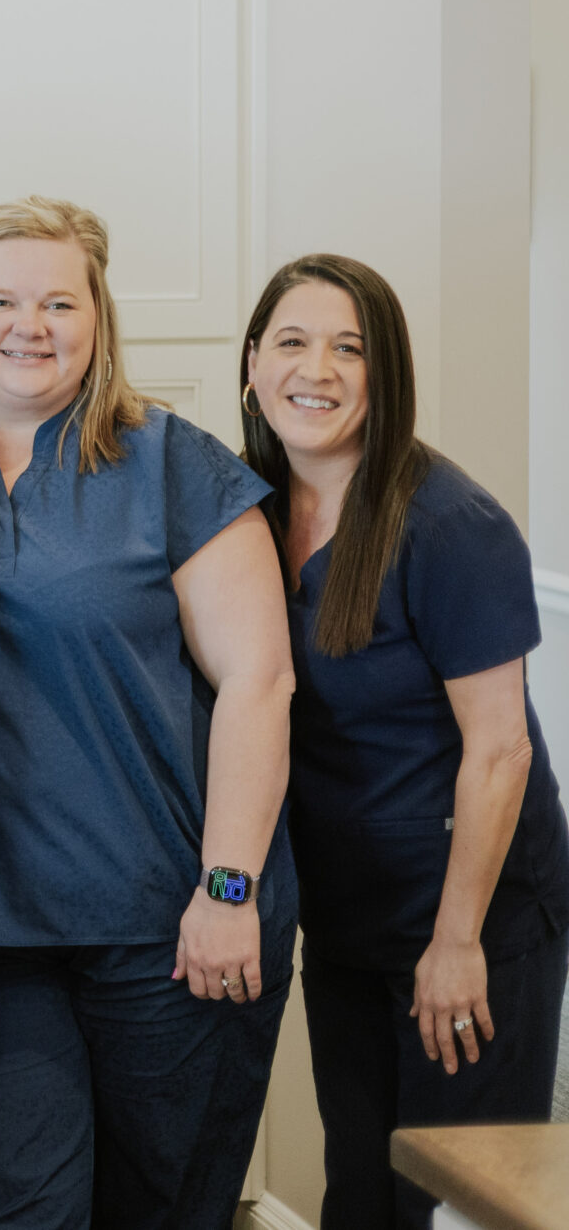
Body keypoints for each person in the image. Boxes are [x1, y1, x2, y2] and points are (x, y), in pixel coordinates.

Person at [0, 195, 297, 1230]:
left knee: (163, 1207)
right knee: (15, 1212)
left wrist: (227, 886)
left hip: (176, 918)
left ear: (98, 321)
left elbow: (258, 682)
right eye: (1, 297)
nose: (29, 324)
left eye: (61, 301)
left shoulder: (170, 464)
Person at [240, 254, 569, 1230]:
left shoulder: (449, 525)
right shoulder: (246, 512)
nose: (318, 369)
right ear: (253, 363)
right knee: (364, 1195)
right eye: (293, 343)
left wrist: (457, 941)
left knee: (460, 1204)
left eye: (350, 347)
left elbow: (499, 749)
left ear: (386, 372)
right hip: (348, 923)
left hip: (474, 924)